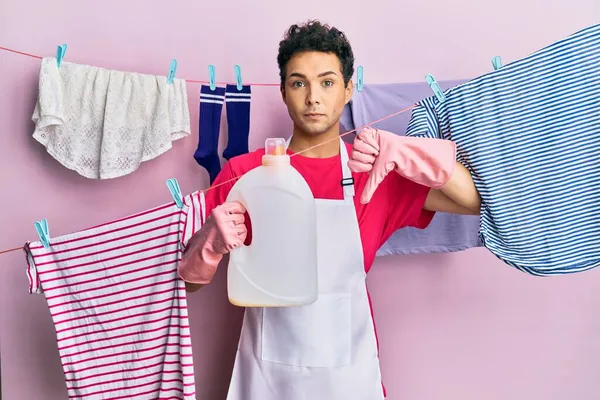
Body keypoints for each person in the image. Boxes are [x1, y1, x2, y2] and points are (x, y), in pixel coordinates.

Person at [178, 20, 481, 400]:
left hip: (347, 380)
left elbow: (473, 200)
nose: (313, 98)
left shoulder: (376, 173)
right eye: (298, 83)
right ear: (285, 93)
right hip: (267, 379)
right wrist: (209, 243)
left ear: (348, 89)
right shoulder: (245, 174)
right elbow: (189, 281)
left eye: (327, 82)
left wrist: (412, 152)